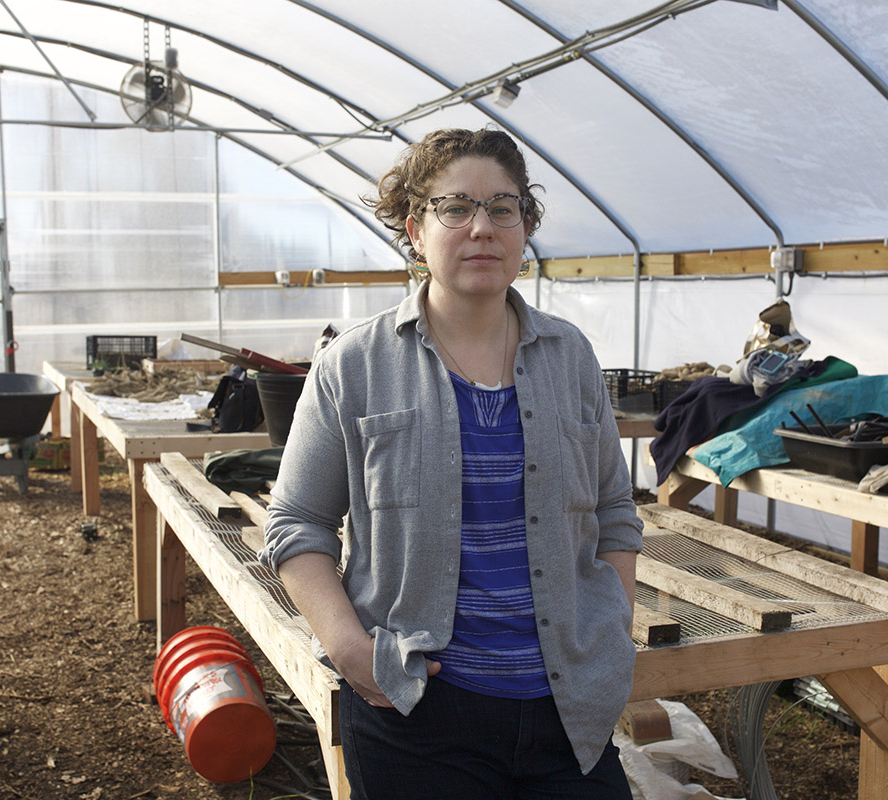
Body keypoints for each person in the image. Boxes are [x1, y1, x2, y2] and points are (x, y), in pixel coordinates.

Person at [259, 127, 642, 799]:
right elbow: (296, 523)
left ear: (525, 225)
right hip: (418, 712)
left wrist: (611, 626)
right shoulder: (354, 365)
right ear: (415, 227)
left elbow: (614, 509)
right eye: (455, 207)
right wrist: (350, 649)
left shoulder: (571, 356)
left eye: (503, 208)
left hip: (568, 712)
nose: (482, 227)